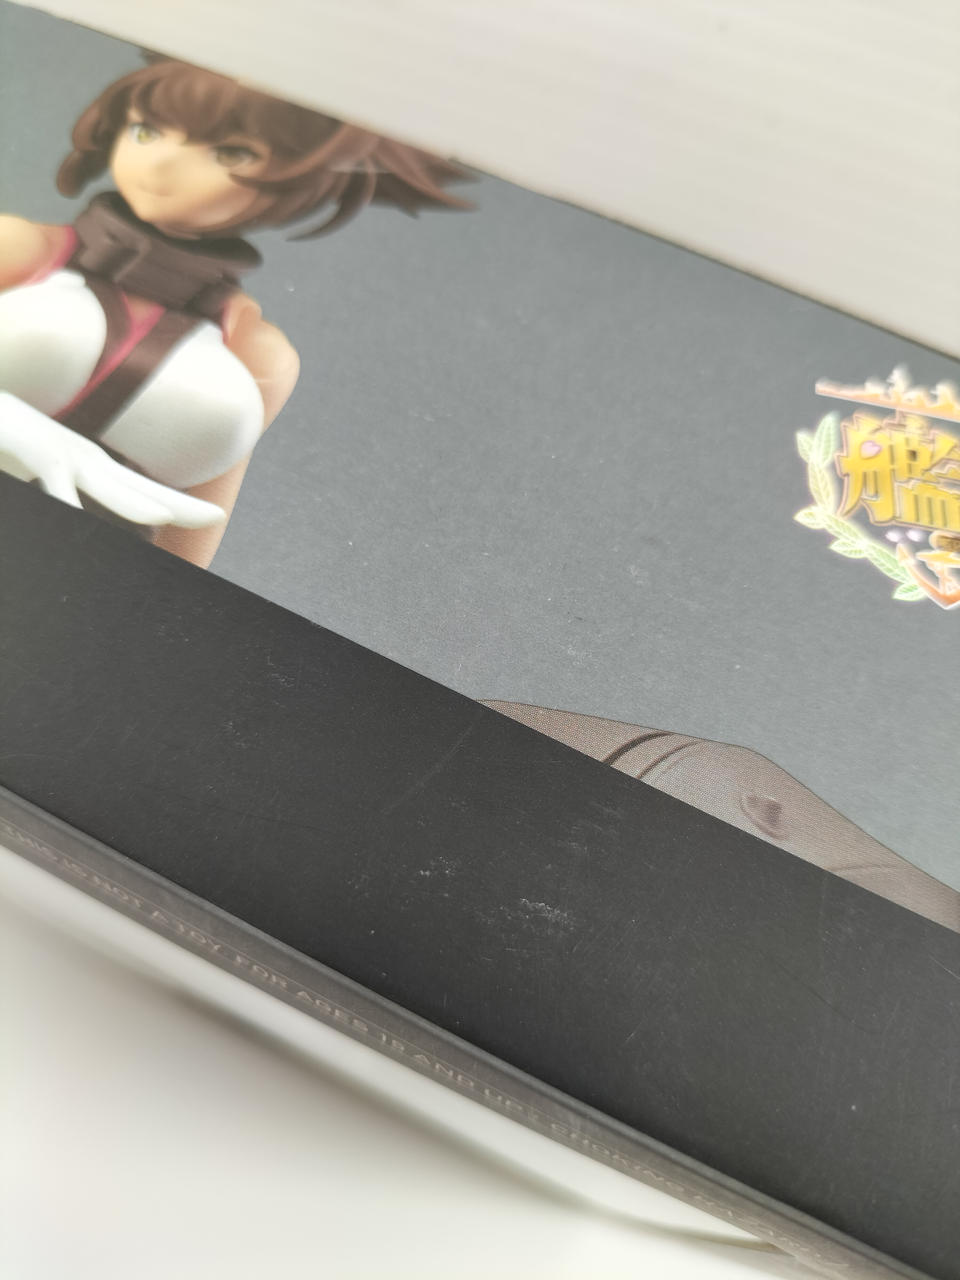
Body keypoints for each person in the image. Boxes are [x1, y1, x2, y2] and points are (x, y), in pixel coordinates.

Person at [0, 57, 469, 567]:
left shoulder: (253, 349)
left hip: (87, 575)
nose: (161, 165)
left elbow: (196, 527)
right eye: (146, 130)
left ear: (299, 175)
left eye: (229, 152)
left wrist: (162, 602)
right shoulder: (19, 249)